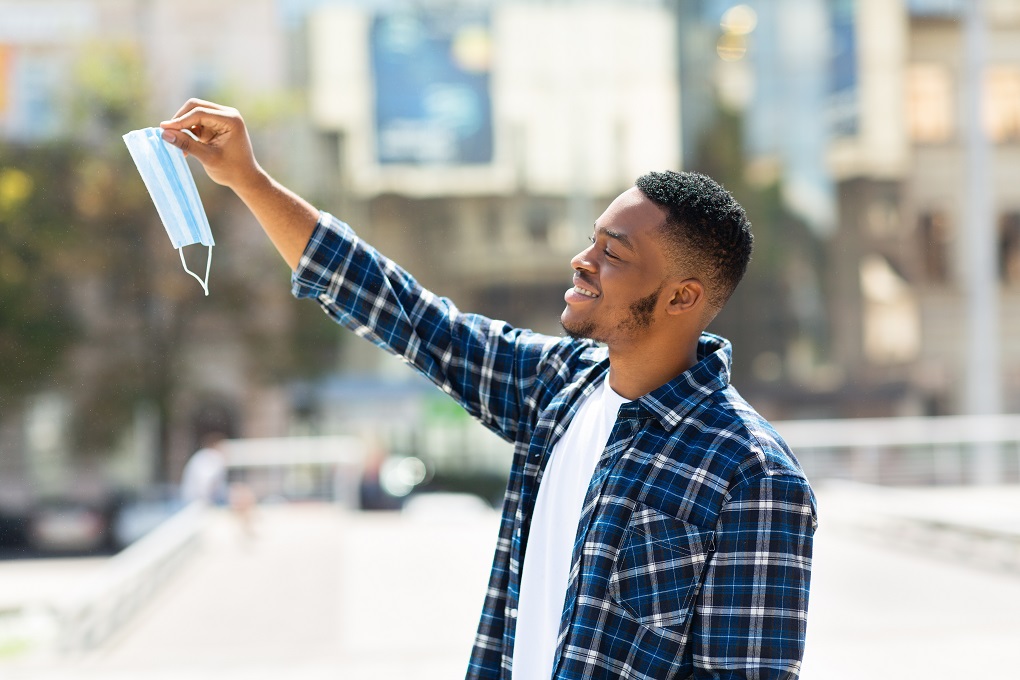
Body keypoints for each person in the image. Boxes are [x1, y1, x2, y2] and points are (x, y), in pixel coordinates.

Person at [160, 100, 817, 679]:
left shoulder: (752, 476)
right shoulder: (558, 391)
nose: (581, 261)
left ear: (682, 296)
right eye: (592, 240)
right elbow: (405, 313)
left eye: (613, 253)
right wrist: (247, 179)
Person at [180, 432, 228, 506]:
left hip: (190, 499)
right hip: (198, 502)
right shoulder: (213, 457)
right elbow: (206, 482)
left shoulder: (201, 456)